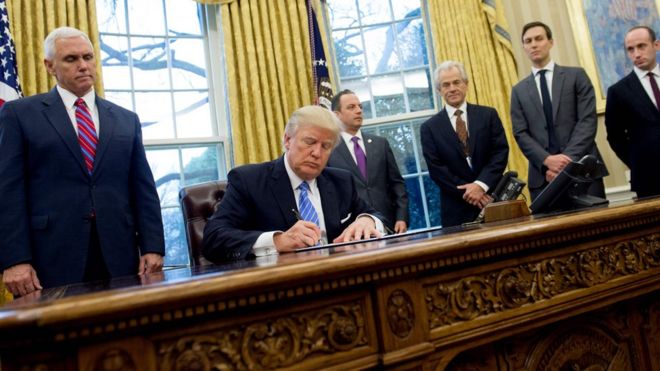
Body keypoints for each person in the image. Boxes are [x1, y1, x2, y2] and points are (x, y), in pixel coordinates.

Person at [0, 27, 164, 296]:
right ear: (49, 65)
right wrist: (15, 259)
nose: (83, 66)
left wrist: (153, 246)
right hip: (50, 258)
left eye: (88, 57)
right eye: (71, 59)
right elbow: (8, 192)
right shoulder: (19, 114)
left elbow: (143, 188)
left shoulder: (125, 119)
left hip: (121, 256)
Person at [202, 105, 384, 262]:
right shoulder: (249, 180)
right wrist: (277, 241)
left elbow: (376, 215)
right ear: (288, 139)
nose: (316, 153)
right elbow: (213, 239)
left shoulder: (341, 181)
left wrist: (368, 221)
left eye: (326, 146)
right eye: (310, 142)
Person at [511, 21, 608, 204]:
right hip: (543, 177)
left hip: (583, 171)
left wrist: (565, 163)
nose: (534, 44)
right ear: (524, 47)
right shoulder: (518, 91)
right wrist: (547, 160)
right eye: (528, 41)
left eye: (539, 39)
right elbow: (520, 134)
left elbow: (587, 122)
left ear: (551, 42)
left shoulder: (577, 76)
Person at [420, 61, 509, 227]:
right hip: (456, 209)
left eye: (456, 82)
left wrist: (481, 185)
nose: (452, 88)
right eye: (446, 85)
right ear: (439, 90)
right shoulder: (429, 128)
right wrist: (471, 192)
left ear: (466, 84)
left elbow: (500, 153)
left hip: (492, 201)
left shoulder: (488, 115)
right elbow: (437, 170)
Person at [327, 90, 409, 233]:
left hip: (388, 224)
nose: (358, 111)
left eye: (360, 106)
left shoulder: (380, 144)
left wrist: (402, 217)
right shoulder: (329, 150)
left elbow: (397, 184)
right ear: (336, 115)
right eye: (351, 107)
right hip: (350, 230)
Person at [605, 26, 660, 198]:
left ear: (656, 45)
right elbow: (615, 137)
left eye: (642, 46)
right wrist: (638, 163)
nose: (636, 54)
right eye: (630, 49)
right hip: (649, 179)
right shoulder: (618, 91)